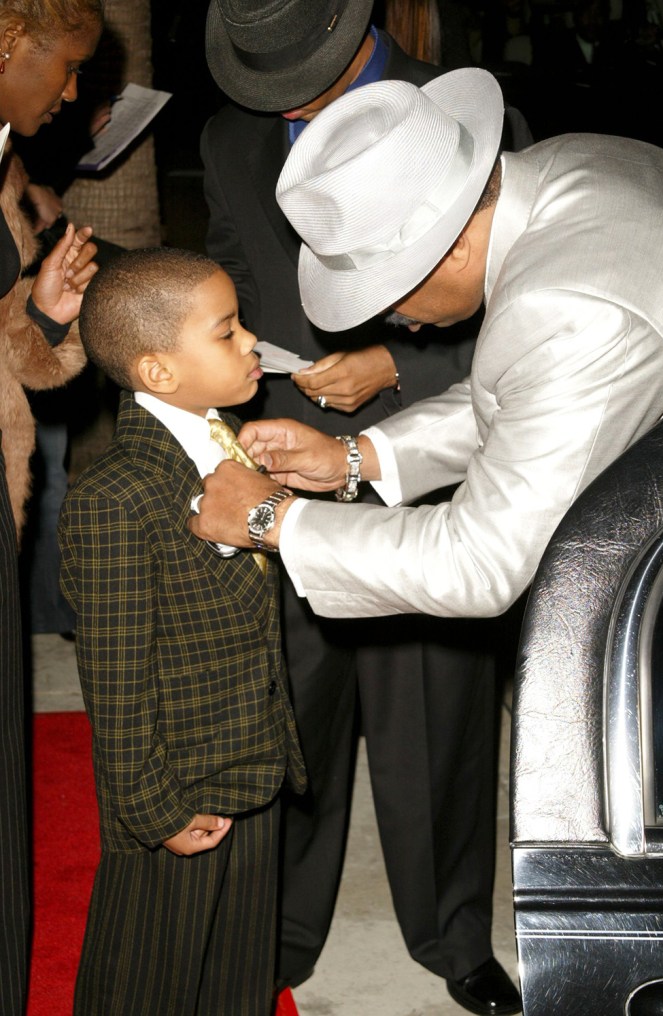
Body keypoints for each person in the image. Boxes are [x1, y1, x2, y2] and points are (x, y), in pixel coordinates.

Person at [202, 2, 524, 1012]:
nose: (285, 103)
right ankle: (285, 927)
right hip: (290, 450)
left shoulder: (470, 113)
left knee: (435, 706)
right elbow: (238, 276)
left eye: (301, 75)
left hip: (425, 449)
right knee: (293, 704)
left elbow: (518, 307)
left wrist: (397, 358)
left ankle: (451, 932)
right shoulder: (226, 136)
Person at [187, 70, 663, 698]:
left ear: (449, 251)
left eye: (385, 295)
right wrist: (353, 458)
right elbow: (525, 398)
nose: (387, 320)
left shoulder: (566, 311)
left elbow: (479, 562)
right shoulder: (570, 165)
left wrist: (272, 519)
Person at [58, 246, 306, 1016]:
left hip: (252, 758)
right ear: (159, 371)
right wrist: (151, 807)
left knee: (235, 972)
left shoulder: (223, 437)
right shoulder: (116, 498)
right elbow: (116, 677)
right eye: (227, 333)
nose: (252, 343)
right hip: (176, 787)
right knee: (147, 976)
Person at [0, 1, 102, 1010]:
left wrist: (45, 312)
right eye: (63, 66)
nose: (71, 91)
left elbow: (14, 356)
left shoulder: (4, 169)